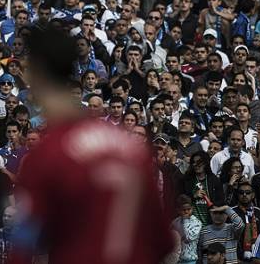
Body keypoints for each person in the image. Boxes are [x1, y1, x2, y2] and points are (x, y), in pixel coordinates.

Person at [12, 26, 174, 263]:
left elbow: (24, 245)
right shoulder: (129, 147)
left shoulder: (47, 155)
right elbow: (161, 241)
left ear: (37, 73)